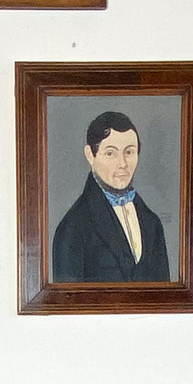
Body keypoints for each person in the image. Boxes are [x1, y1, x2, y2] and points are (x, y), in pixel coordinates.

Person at [51, 112, 172, 283]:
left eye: (129, 152)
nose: (122, 164)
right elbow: (67, 305)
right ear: (90, 155)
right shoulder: (72, 229)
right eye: (110, 153)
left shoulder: (153, 223)